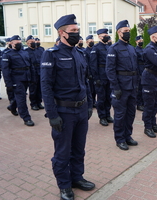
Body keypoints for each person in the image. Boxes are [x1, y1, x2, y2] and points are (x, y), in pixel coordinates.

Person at [40, 14, 95, 200]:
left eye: (77, 30)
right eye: (73, 31)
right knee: (63, 152)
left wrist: (89, 105)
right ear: (61, 33)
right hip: (63, 111)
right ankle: (64, 185)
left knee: (79, 149)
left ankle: (77, 178)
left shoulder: (80, 53)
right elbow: (46, 86)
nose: (77, 33)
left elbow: (85, 81)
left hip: (81, 109)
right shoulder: (51, 54)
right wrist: (52, 114)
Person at [106, 20, 139, 151]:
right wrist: (116, 87)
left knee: (131, 113)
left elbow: (135, 67)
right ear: (119, 32)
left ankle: (128, 136)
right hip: (121, 87)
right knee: (120, 114)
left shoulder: (131, 48)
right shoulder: (113, 48)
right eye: (125, 31)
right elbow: (110, 70)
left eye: (128, 31)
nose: (127, 34)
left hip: (132, 86)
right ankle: (119, 139)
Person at [1, 35, 35, 126]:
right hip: (16, 79)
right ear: (11, 43)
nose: (19, 44)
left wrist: (33, 77)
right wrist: (8, 83)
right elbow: (5, 70)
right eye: (17, 43)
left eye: (20, 42)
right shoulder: (7, 54)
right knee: (22, 98)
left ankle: (12, 106)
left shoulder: (25, 52)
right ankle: (26, 118)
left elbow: (30, 66)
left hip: (26, 77)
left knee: (21, 95)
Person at [90, 28, 113, 126]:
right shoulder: (96, 48)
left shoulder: (109, 47)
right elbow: (93, 64)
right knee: (101, 98)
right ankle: (102, 116)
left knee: (109, 97)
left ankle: (108, 114)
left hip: (108, 75)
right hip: (100, 75)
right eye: (104, 35)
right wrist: (96, 78)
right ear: (99, 36)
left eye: (107, 35)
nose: (106, 37)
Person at [25, 35, 44, 111]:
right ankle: (33, 104)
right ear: (27, 43)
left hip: (40, 70)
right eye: (31, 42)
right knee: (33, 89)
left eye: (33, 42)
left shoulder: (40, 50)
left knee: (40, 88)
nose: (33, 43)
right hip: (32, 72)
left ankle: (39, 102)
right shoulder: (26, 51)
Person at [84, 35, 96, 108]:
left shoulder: (94, 49)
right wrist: (88, 73)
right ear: (87, 42)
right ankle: (90, 103)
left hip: (95, 73)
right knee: (90, 89)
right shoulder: (85, 51)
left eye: (92, 41)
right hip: (90, 73)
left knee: (95, 90)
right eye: (90, 41)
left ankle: (94, 101)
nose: (92, 42)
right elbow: (86, 63)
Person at [135, 35, 145, 111]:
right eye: (139, 41)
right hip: (139, 69)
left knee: (144, 88)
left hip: (144, 69)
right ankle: (139, 104)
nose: (141, 42)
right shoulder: (135, 50)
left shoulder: (143, 49)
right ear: (136, 42)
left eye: (142, 41)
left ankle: (143, 102)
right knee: (139, 88)